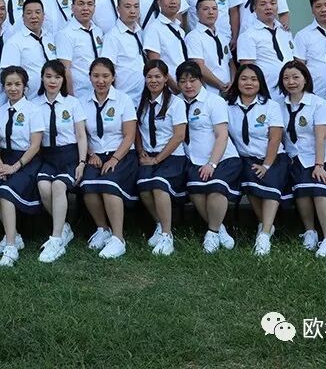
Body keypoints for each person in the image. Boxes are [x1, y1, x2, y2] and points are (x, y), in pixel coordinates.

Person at [176, 61, 241, 254]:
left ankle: (211, 233)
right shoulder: (176, 102)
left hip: (222, 158)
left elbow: (222, 135)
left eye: (192, 80)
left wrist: (212, 164)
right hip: (194, 160)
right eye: (183, 81)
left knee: (215, 189)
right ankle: (219, 229)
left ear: (201, 80)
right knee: (195, 189)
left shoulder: (214, 101)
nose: (188, 85)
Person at [224, 64, 288, 256]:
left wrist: (266, 164)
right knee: (249, 181)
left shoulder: (271, 106)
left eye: (253, 79)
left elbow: (275, 138)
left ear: (260, 83)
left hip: (273, 157)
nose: (248, 83)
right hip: (246, 158)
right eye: (244, 78)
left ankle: (264, 235)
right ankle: (266, 224)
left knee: (270, 186)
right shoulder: (227, 106)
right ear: (237, 82)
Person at [278, 60, 326, 258]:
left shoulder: (317, 103)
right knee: (302, 193)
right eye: (286, 78)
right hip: (297, 158)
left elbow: (321, 137)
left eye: (296, 77)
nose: (291, 82)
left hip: (322, 158)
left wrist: (319, 165)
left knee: (319, 192)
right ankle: (310, 232)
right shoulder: (279, 105)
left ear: (305, 79)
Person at [79, 58, 138, 259]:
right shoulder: (82, 102)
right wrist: (91, 154)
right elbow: (81, 134)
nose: (100, 80)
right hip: (95, 155)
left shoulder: (123, 100)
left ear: (113, 77)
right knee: (87, 184)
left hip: (121, 154)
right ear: (89, 77)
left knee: (108, 183)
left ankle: (118, 238)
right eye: (96, 76)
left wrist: (114, 159)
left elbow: (129, 135)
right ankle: (102, 228)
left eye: (105, 76)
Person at [0, 66, 44, 267]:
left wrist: (15, 167)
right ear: (3, 87)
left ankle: (10, 246)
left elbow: (35, 145)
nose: (13, 88)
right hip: (4, 159)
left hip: (27, 160)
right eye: (9, 84)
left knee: (6, 192)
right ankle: (14, 235)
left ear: (25, 86)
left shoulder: (33, 110)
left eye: (17, 84)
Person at [34, 60, 87, 263]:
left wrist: (81, 162)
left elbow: (81, 135)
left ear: (63, 80)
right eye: (48, 76)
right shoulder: (34, 104)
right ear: (42, 78)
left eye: (57, 77)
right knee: (43, 186)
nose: (53, 81)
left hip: (69, 155)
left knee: (58, 186)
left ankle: (55, 239)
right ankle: (64, 227)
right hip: (48, 156)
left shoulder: (72, 103)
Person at [135, 60, 187, 256]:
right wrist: (140, 150)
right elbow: (136, 129)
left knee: (158, 185)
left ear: (166, 78)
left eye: (158, 76)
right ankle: (159, 223)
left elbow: (179, 136)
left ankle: (167, 234)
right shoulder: (141, 102)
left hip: (171, 156)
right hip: (149, 154)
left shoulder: (176, 103)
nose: (153, 80)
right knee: (143, 185)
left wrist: (157, 160)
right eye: (149, 76)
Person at [237, 0, 301, 94]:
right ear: (254, 8)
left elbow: (295, 60)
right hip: (266, 93)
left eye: (273, 3)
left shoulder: (285, 31)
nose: (269, 7)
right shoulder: (248, 35)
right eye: (263, 4)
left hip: (290, 91)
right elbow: (247, 69)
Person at [1, 0, 57, 98]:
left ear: (43, 16)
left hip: (52, 98)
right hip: (29, 99)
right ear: (23, 17)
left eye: (38, 12)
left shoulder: (50, 38)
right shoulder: (14, 42)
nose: (34, 16)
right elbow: (8, 76)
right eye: (29, 13)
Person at [56, 0, 104, 101]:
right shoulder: (65, 34)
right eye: (81, 4)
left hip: (100, 93)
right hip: (79, 95)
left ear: (94, 7)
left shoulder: (98, 31)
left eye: (90, 4)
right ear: (72, 7)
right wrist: (71, 100)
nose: (85, 8)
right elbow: (65, 69)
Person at [184, 0, 233, 95]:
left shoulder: (222, 36)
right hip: (209, 92)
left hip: (229, 91)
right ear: (197, 12)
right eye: (206, 9)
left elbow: (230, 63)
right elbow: (198, 66)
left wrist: (233, 84)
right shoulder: (194, 37)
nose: (211, 12)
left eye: (214, 9)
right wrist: (221, 85)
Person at [101, 0, 146, 100]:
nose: (133, 11)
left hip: (143, 97)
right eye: (127, 6)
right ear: (118, 9)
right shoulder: (112, 36)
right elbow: (107, 69)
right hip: (124, 97)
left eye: (136, 6)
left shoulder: (141, 33)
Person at [143, 0, 188, 92]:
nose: (173, 1)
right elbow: (155, 64)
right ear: (159, 2)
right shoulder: (154, 29)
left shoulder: (179, 29)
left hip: (185, 87)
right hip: (169, 89)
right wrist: (175, 88)